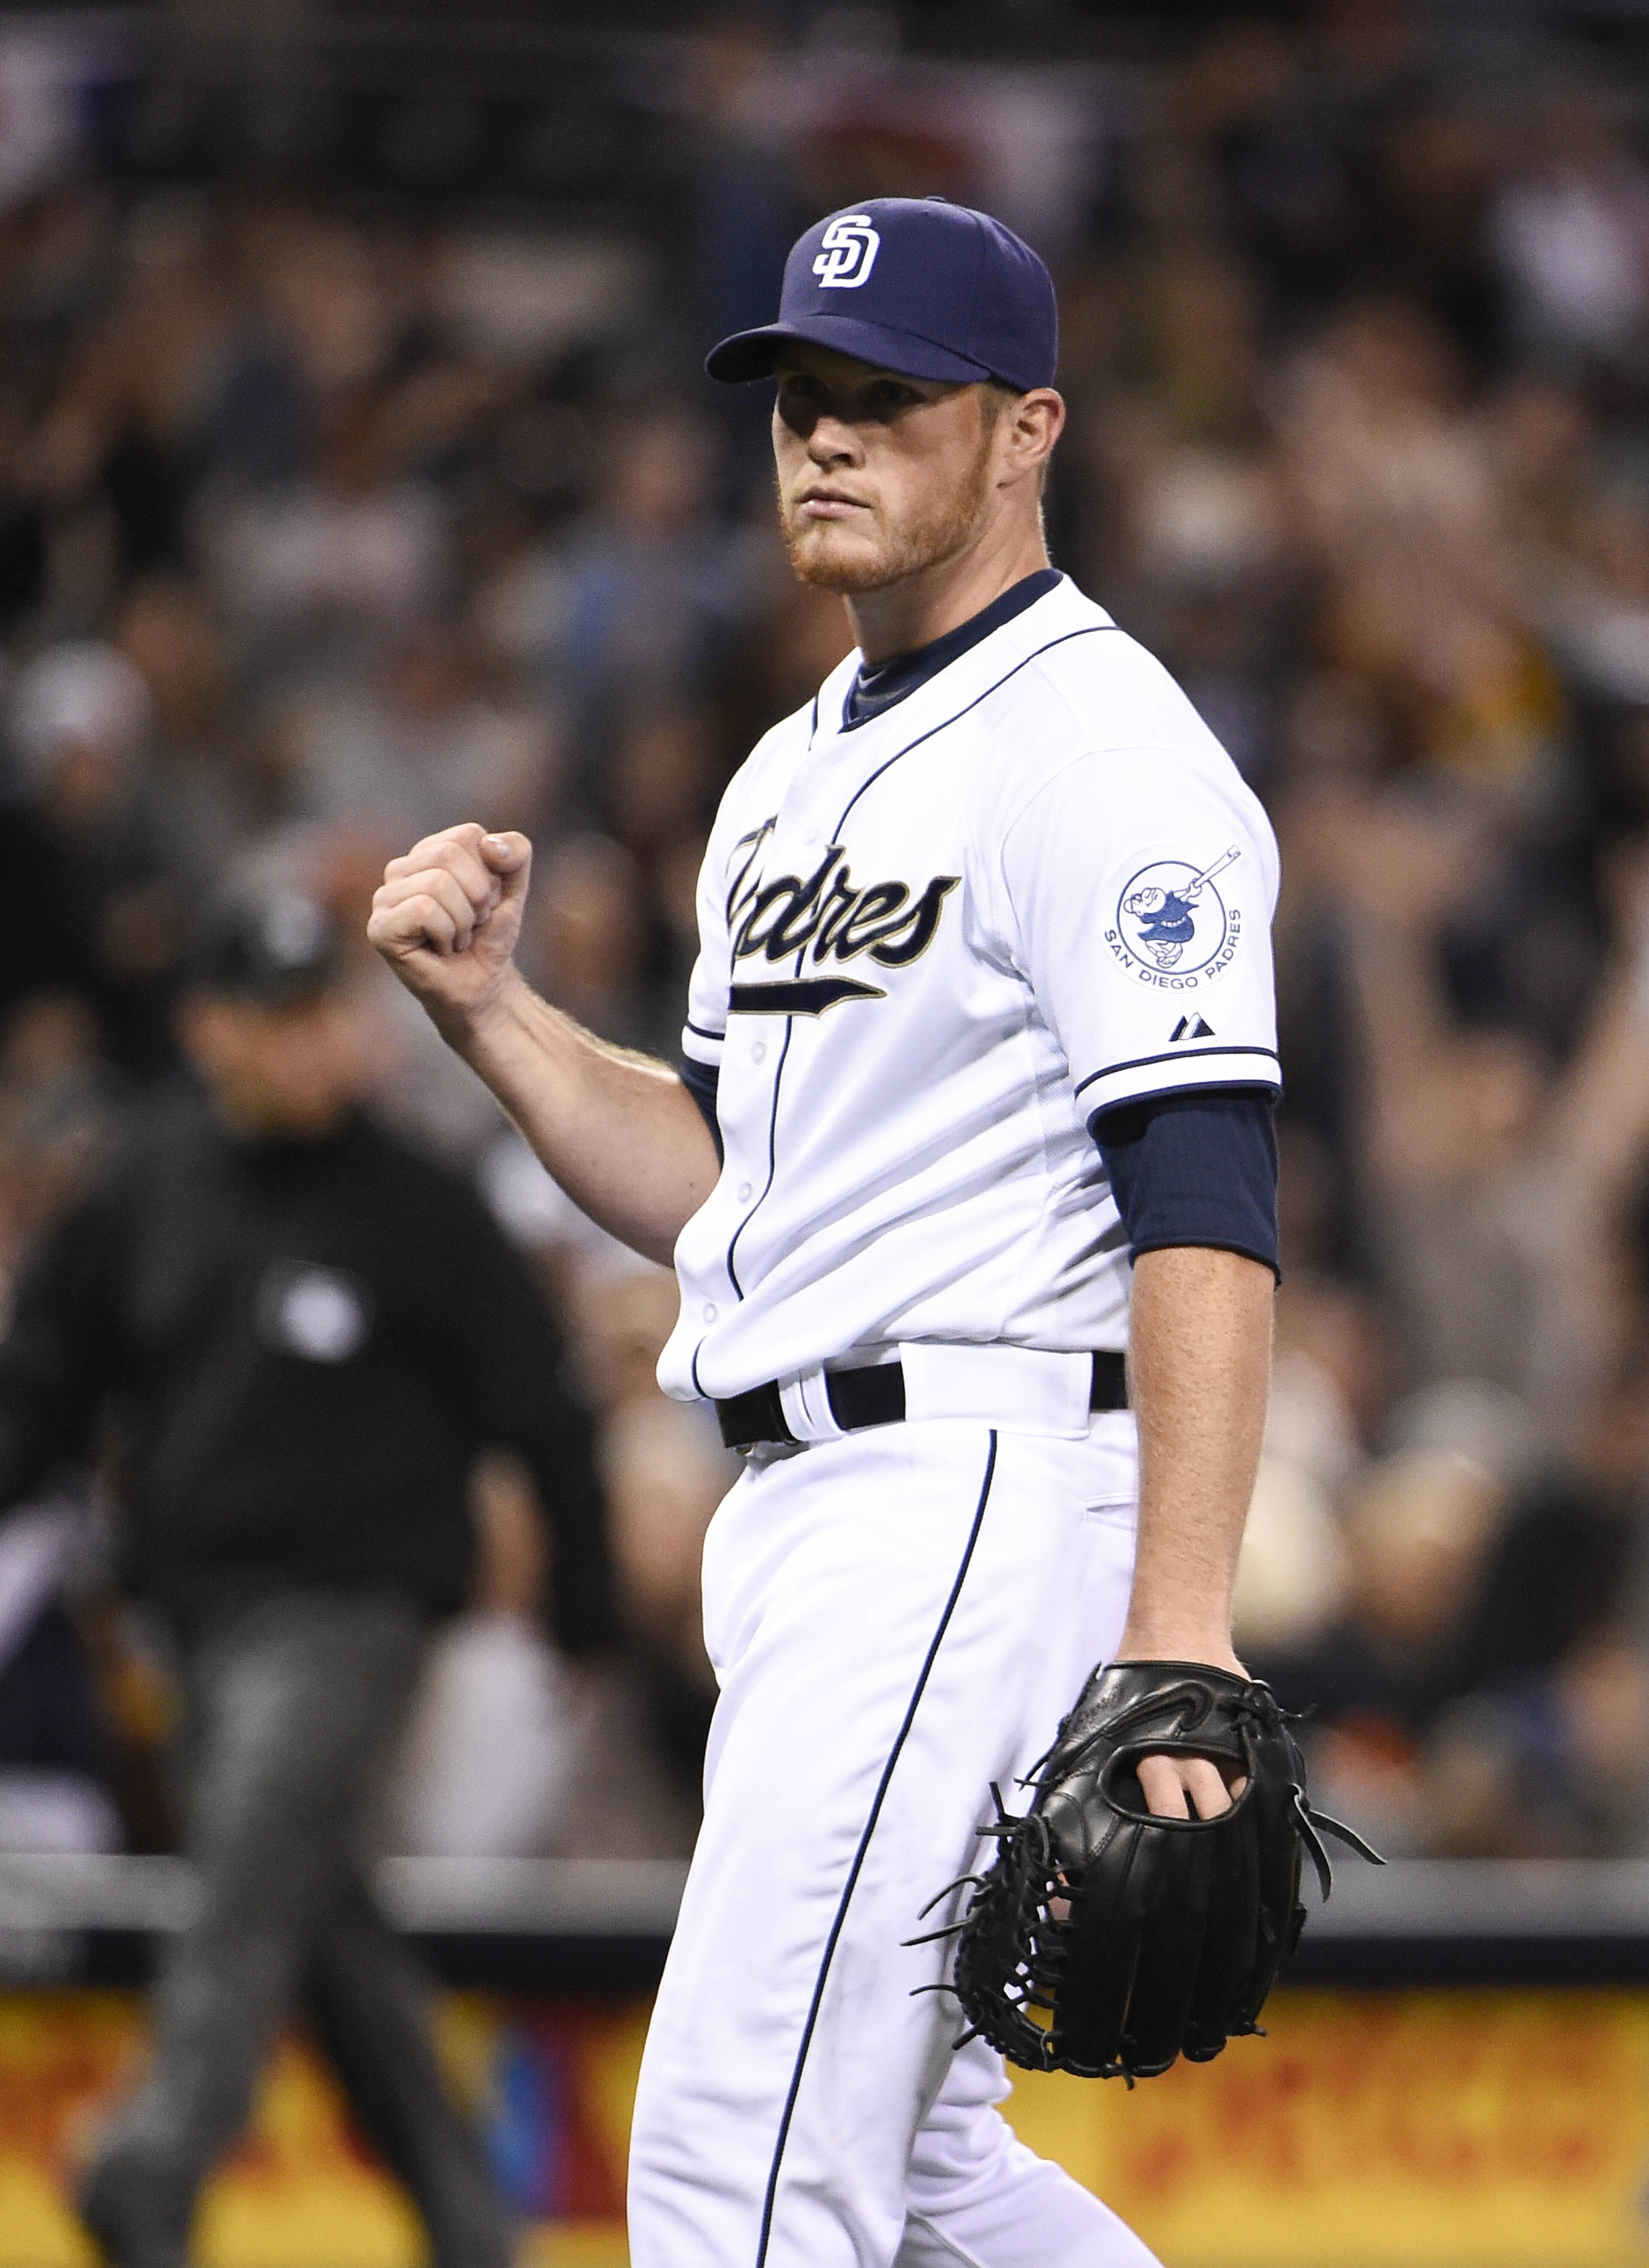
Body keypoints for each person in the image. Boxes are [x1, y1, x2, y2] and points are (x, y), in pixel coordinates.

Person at [370, 197, 1281, 2268]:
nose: (826, 440)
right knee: (920, 2159)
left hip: (968, 1486)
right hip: (815, 1504)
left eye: (888, 400)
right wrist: (497, 1020)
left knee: (736, 2148)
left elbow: (1208, 1205)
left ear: (1028, 428)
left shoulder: (1102, 749)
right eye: (800, 398)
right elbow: (727, 1185)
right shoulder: (789, 771)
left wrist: (1183, 1621)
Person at [0, 887, 615, 2268]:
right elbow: (40, 1387)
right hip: (191, 1626)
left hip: (357, 1614)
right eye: (280, 1018)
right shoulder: (144, 1187)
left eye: (325, 1011)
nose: (316, 1041)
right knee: (310, 1908)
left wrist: (582, 1596)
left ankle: (155, 2161)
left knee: (246, 1869)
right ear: (212, 1030)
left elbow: (544, 1404)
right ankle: (470, 2223)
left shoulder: (418, 1201)